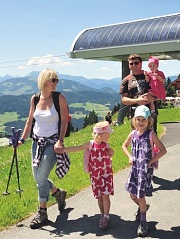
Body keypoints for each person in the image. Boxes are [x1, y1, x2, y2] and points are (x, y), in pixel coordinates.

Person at [17, 69, 69, 229]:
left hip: (52, 143)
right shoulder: (35, 98)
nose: (55, 82)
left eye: (56, 80)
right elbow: (29, 121)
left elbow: (64, 121)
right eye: (52, 79)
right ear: (43, 81)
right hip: (36, 143)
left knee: (40, 177)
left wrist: (60, 141)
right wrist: (22, 139)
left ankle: (42, 212)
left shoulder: (59, 98)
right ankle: (57, 193)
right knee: (38, 177)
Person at [122, 105, 167, 237]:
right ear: (134, 120)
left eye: (144, 120)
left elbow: (163, 150)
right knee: (132, 195)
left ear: (149, 121)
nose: (141, 122)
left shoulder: (151, 135)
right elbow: (124, 146)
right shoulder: (133, 134)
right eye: (138, 119)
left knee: (140, 196)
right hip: (135, 169)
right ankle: (143, 207)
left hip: (145, 171)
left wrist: (151, 161)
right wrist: (130, 156)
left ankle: (143, 221)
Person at [63, 121, 114, 229]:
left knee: (105, 195)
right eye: (107, 134)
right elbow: (77, 148)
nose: (109, 136)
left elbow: (111, 153)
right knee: (100, 197)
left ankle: (106, 216)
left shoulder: (106, 145)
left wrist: (111, 152)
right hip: (96, 176)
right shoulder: (90, 145)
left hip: (106, 175)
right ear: (100, 135)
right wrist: (64, 150)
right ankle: (102, 214)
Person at [119, 54, 158, 133]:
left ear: (141, 64)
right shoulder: (126, 79)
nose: (134, 65)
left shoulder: (150, 75)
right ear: (129, 65)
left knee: (151, 138)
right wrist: (137, 100)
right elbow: (123, 100)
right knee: (136, 138)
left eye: (136, 63)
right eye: (131, 63)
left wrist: (153, 98)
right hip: (135, 115)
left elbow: (160, 92)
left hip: (150, 114)